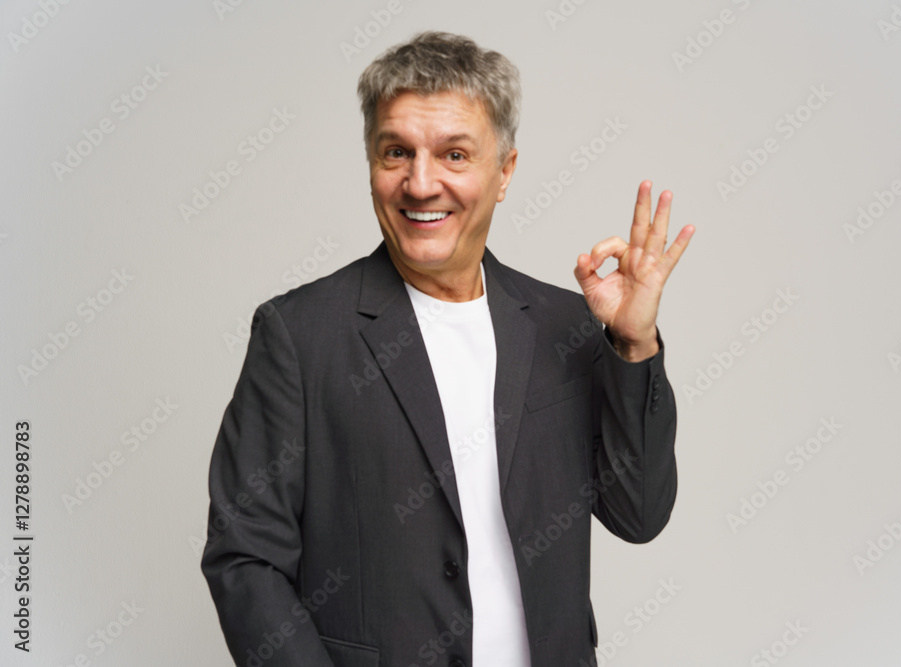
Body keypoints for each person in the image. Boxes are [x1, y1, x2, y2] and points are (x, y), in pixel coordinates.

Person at [201, 30, 694, 667]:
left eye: (454, 154)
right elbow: (246, 558)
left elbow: (639, 513)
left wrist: (632, 343)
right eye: (396, 152)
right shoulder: (299, 336)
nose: (420, 183)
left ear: (504, 172)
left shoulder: (561, 324)